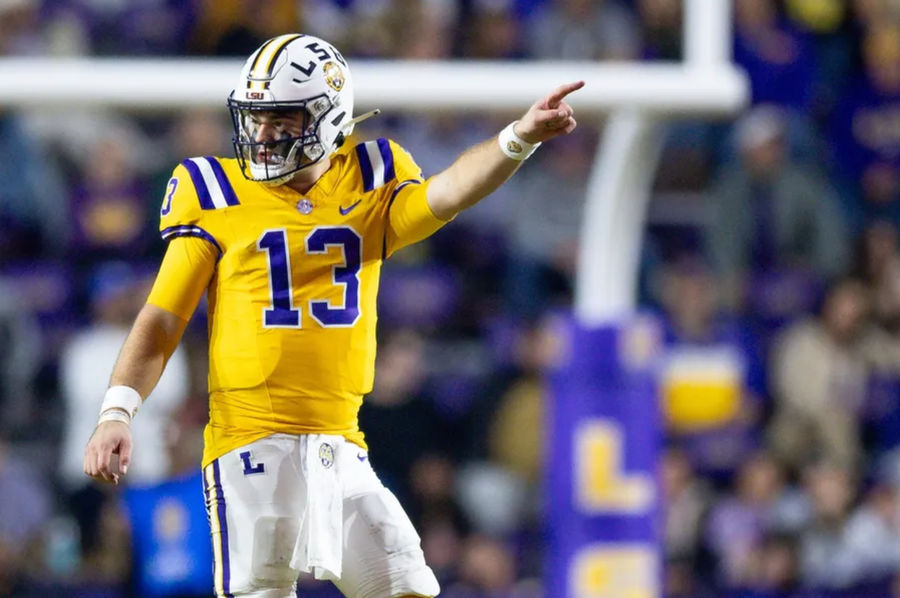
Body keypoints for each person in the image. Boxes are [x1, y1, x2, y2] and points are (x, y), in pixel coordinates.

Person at [82, 33, 582, 598]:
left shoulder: (372, 174)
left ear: (328, 116)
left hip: (339, 446)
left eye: (281, 119)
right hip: (249, 442)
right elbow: (164, 315)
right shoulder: (213, 189)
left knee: (407, 587)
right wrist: (118, 409)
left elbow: (448, 194)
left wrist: (518, 137)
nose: (263, 134)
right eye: (256, 118)